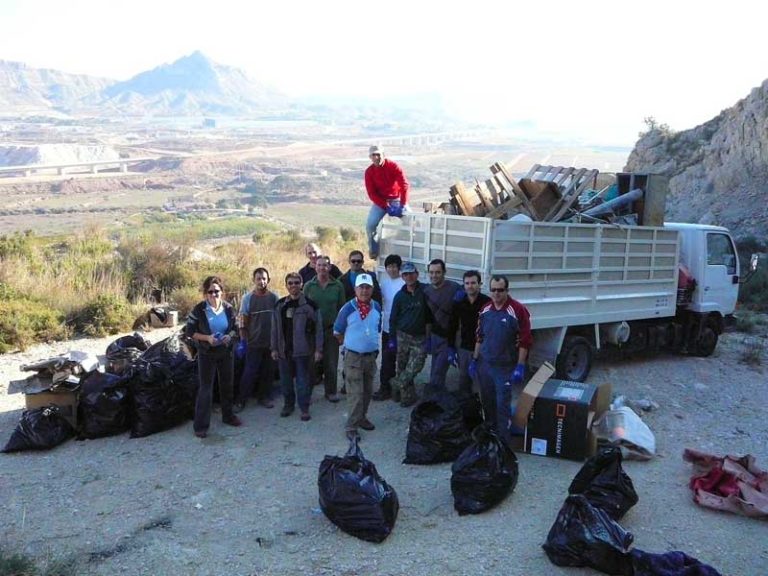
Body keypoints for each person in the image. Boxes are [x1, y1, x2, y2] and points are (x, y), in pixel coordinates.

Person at [471, 275, 532, 443]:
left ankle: (503, 443)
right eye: (493, 290)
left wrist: (520, 365)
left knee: (502, 405)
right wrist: (475, 359)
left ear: (507, 290)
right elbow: (479, 336)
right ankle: (490, 437)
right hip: (485, 365)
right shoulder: (485, 310)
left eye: (500, 290)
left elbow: (525, 340)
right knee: (488, 403)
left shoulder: (517, 310)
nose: (497, 293)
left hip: (505, 368)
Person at [185, 276, 242, 438]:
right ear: (205, 294)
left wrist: (229, 336)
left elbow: (235, 328)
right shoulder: (199, 310)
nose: (213, 294)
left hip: (225, 351)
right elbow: (190, 332)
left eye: (216, 291)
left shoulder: (229, 308)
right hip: (206, 353)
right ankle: (201, 426)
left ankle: (228, 416)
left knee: (227, 385)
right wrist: (207, 338)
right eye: (209, 292)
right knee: (205, 388)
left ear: (222, 292)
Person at [333, 273, 382, 441]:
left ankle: (362, 418)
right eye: (361, 287)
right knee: (355, 393)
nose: (364, 290)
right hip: (353, 357)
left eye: (367, 287)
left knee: (367, 390)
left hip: (370, 356)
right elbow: (338, 332)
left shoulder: (376, 307)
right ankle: (351, 426)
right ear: (355, 289)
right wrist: (351, 345)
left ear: (372, 289)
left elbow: (377, 328)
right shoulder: (348, 308)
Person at [271, 272, 323, 421]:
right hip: (283, 351)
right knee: (286, 381)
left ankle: (304, 407)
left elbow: (318, 329)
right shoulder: (280, 305)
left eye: (296, 282)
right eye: (290, 283)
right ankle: (288, 405)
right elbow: (274, 329)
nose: (293, 286)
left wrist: (318, 349)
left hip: (303, 351)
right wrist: (273, 348)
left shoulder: (310, 305)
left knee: (303, 381)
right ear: (286, 286)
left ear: (301, 284)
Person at [388, 261, 433, 407]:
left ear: (417, 274)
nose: (409, 277)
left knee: (416, 365)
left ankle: (396, 383)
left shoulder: (425, 291)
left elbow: (430, 315)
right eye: (405, 274)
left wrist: (428, 338)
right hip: (403, 335)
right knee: (401, 365)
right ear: (402, 276)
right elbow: (393, 318)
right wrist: (392, 339)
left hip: (420, 337)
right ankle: (406, 396)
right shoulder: (400, 296)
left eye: (411, 273)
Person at [234, 267, 278, 413]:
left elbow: (278, 320)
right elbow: (242, 321)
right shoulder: (248, 298)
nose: (261, 281)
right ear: (254, 280)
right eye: (258, 278)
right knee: (249, 372)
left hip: (270, 343)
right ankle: (241, 400)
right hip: (253, 342)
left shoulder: (274, 298)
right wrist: (243, 341)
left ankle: (263, 397)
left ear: (268, 280)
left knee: (268, 372)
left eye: (264, 278)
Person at [303, 255, 346, 402]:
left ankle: (331, 392)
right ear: (315, 267)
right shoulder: (309, 286)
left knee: (331, 363)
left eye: (325, 265)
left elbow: (342, 309)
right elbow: (303, 309)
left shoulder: (338, 286)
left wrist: (341, 331)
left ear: (330, 267)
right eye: (319, 265)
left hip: (331, 330)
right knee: (311, 363)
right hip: (313, 331)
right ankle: (307, 393)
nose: (322, 268)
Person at [447, 270, 491, 394]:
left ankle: (483, 408)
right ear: (464, 285)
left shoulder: (487, 303)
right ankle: (465, 408)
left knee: (483, 383)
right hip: (464, 348)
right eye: (467, 283)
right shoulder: (459, 302)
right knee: (464, 381)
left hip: (482, 349)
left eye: (473, 283)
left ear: (479, 284)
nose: (470, 286)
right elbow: (453, 325)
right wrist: (450, 347)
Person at [423, 258, 462, 396]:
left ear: (444, 272)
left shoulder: (455, 288)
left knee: (439, 371)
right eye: (431, 272)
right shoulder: (426, 291)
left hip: (448, 338)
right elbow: (427, 318)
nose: (434, 275)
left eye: (438, 272)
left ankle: (435, 399)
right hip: (434, 336)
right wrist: (427, 339)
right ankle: (435, 397)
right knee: (434, 367)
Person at [364, 145, 409, 260]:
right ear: (370, 157)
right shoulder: (369, 172)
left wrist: (403, 204)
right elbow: (371, 193)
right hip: (381, 202)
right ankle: (374, 249)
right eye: (373, 155)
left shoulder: (393, 166)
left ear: (383, 155)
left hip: (396, 200)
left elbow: (404, 185)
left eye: (378, 154)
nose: (376, 157)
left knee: (412, 220)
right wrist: (385, 205)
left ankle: (409, 243)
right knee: (370, 225)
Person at [373, 254, 404, 401]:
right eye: (389, 266)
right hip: (387, 329)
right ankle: (385, 388)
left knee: (403, 361)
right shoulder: (383, 284)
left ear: (399, 268)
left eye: (394, 266)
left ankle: (401, 391)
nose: (392, 269)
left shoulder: (404, 284)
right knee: (387, 360)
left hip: (402, 330)